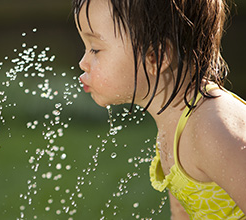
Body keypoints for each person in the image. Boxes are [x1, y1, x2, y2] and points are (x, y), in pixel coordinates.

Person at [72, 0, 246, 219]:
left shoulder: (211, 129)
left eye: (95, 49)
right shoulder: (173, 124)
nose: (83, 62)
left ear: (156, 56)